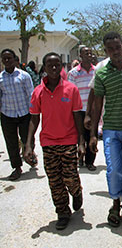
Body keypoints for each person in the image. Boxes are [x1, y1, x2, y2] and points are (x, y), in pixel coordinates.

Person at [23, 52, 85, 230]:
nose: (54, 68)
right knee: (55, 180)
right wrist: (28, 144)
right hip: (48, 142)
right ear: (44, 68)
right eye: (50, 65)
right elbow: (34, 119)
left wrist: (81, 141)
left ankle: (76, 191)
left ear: (62, 67)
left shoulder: (70, 89)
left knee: (70, 176)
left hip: (68, 141)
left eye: (58, 64)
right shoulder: (38, 92)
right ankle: (62, 212)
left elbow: (77, 116)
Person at [89, 32, 122, 228]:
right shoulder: (101, 72)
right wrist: (93, 134)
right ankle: (115, 203)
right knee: (114, 170)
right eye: (110, 49)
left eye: (117, 47)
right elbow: (97, 106)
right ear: (105, 51)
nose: (115, 52)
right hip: (111, 130)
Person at [0, 49, 36, 180]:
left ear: (15, 59)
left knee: (27, 139)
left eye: (9, 58)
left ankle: (30, 154)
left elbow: (31, 95)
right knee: (11, 142)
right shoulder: (0, 78)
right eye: (4, 59)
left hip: (24, 114)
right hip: (7, 114)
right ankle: (16, 167)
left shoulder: (23, 76)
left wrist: (33, 113)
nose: (7, 61)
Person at [68, 46, 97, 171]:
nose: (89, 55)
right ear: (80, 56)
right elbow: (70, 93)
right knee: (80, 135)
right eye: (86, 53)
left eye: (90, 53)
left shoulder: (97, 71)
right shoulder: (73, 73)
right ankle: (80, 157)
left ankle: (90, 161)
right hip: (79, 110)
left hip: (93, 110)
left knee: (92, 134)